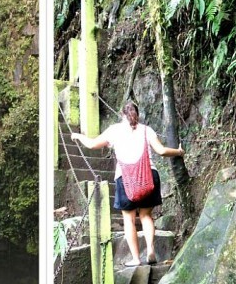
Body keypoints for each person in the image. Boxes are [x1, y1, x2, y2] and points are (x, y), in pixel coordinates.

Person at [72, 101, 184, 267]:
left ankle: (136, 258)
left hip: (125, 179)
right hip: (149, 176)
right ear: (137, 114)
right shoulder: (147, 130)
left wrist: (78, 136)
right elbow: (161, 151)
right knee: (146, 216)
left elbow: (92, 144)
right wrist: (179, 152)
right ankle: (151, 250)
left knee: (129, 220)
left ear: (121, 114)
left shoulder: (114, 130)